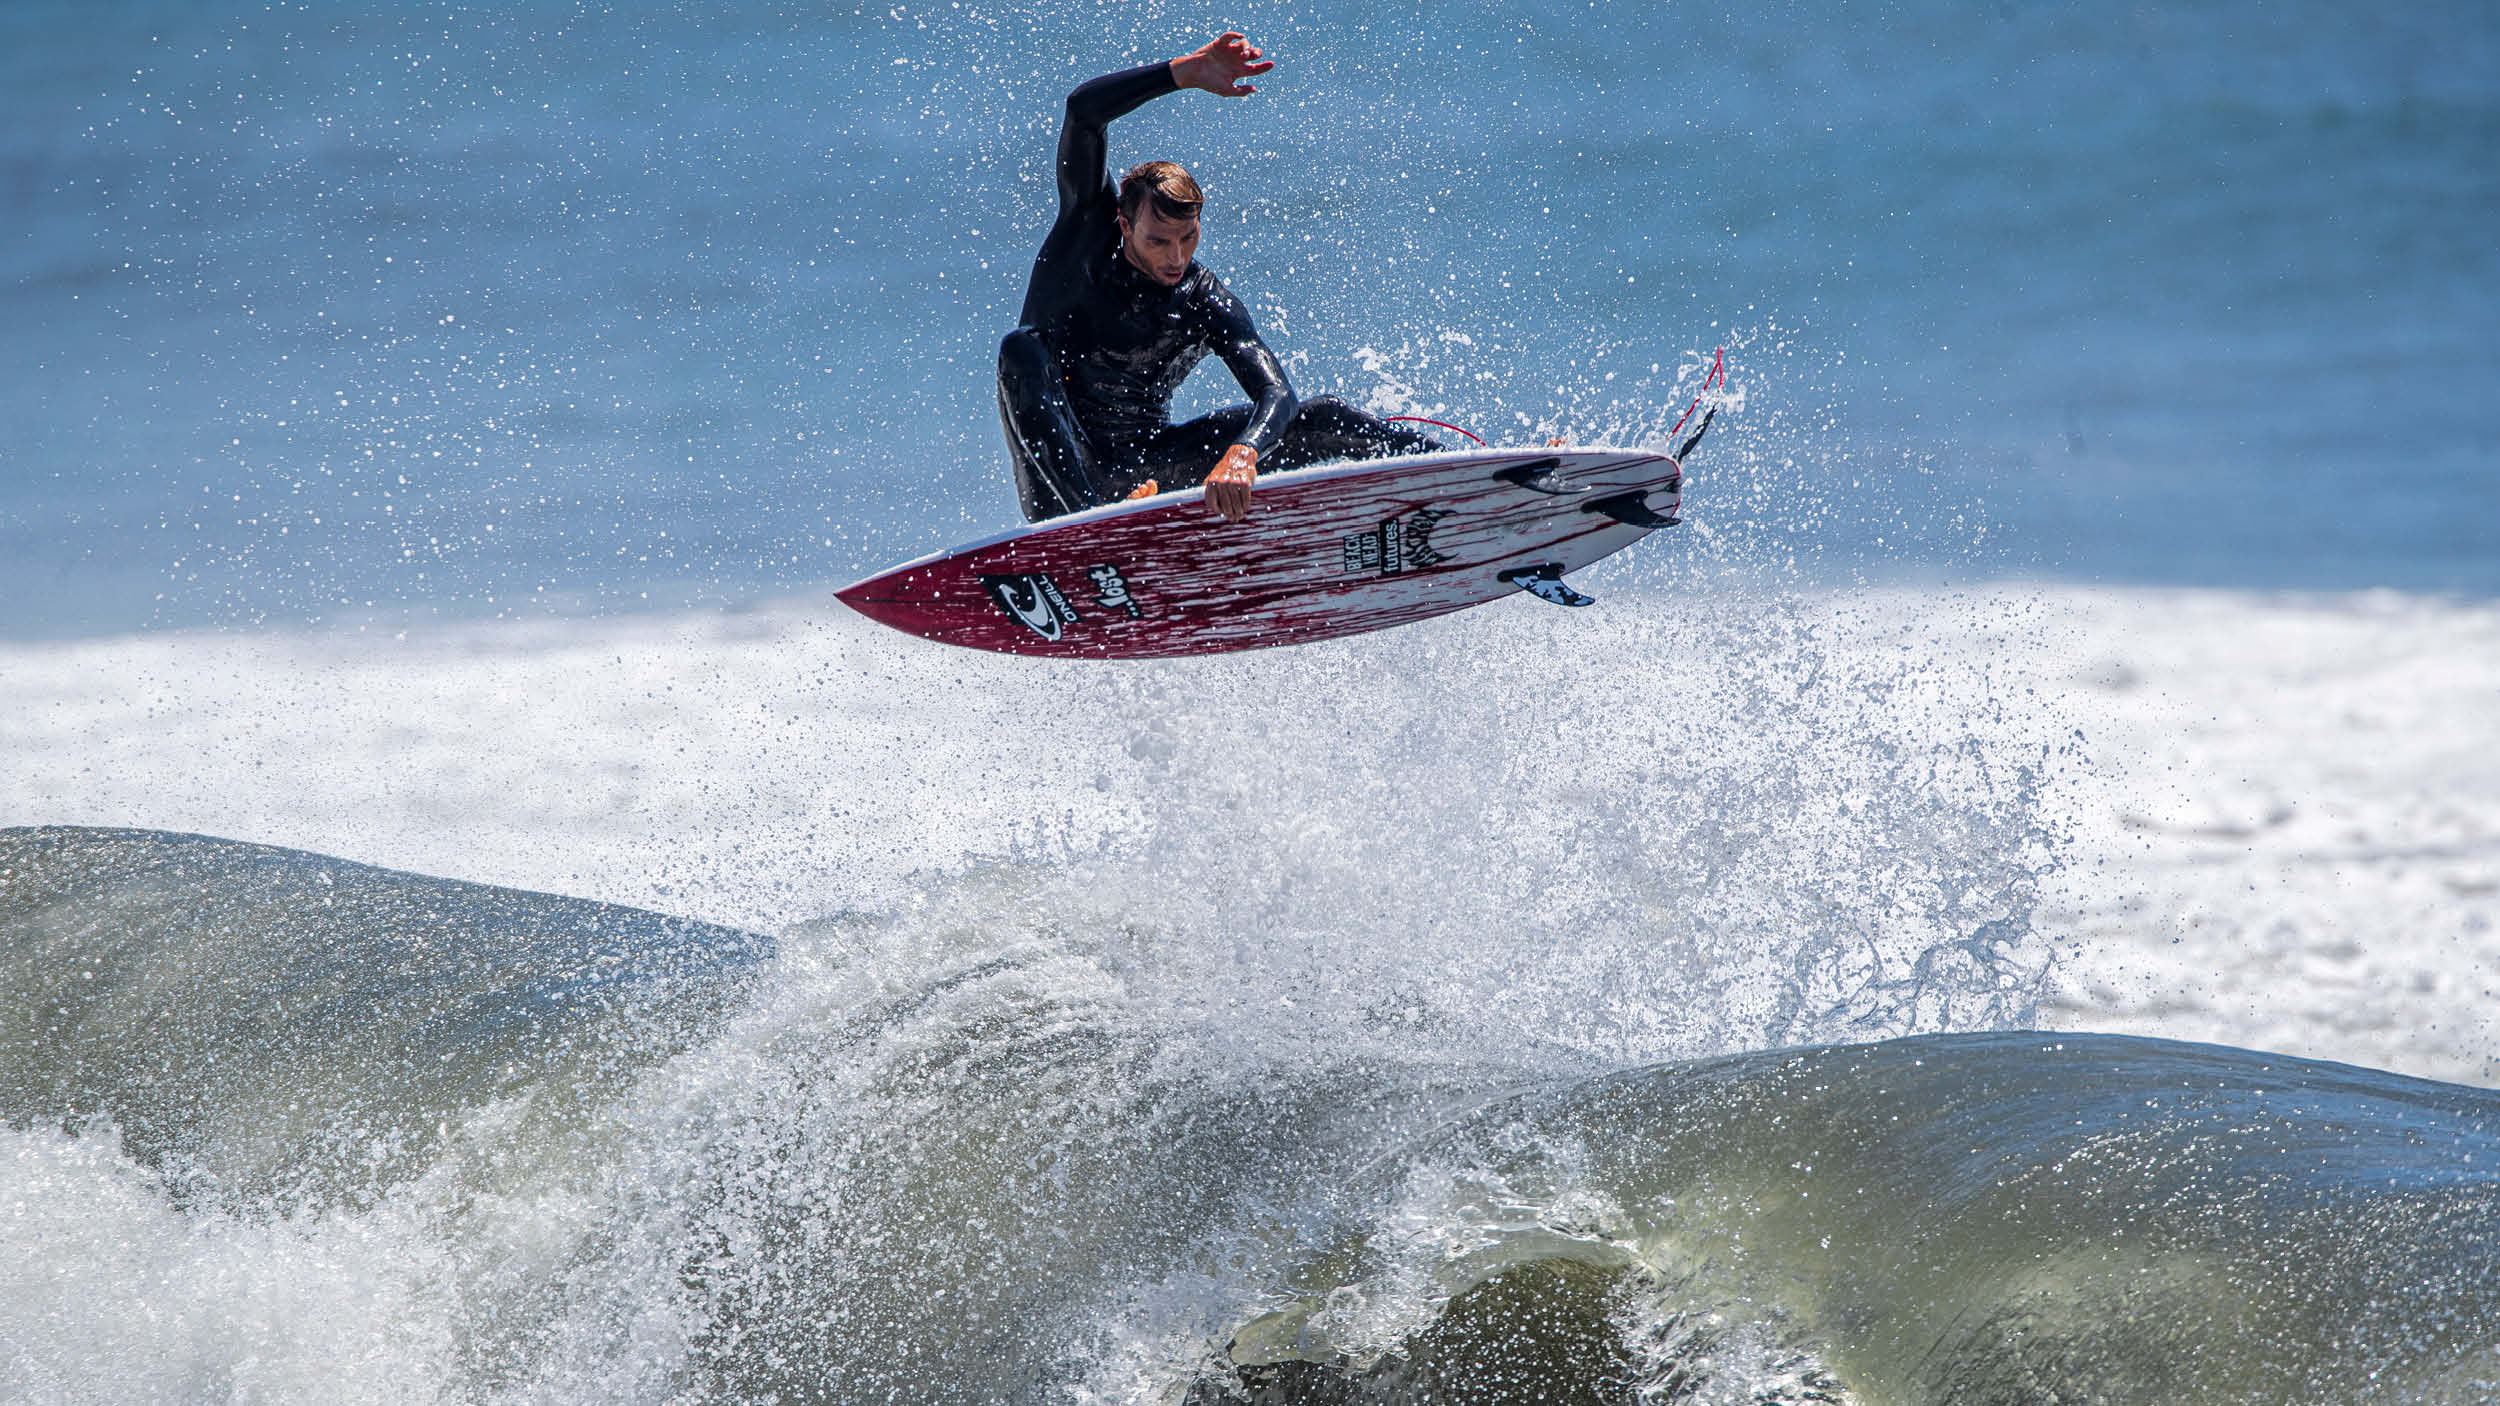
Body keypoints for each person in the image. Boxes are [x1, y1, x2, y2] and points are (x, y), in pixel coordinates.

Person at [998, 32, 1440, 525]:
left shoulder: (1201, 299)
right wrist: (1180, 73)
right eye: (1158, 241)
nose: (1176, 257)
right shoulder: (1086, 235)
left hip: (1146, 474)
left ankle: (1472, 473)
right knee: (1021, 348)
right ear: (1125, 226)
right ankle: (1094, 525)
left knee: (1321, 417)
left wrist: (1245, 452)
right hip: (1063, 484)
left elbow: (1277, 395)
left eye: (1187, 238)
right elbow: (1083, 112)